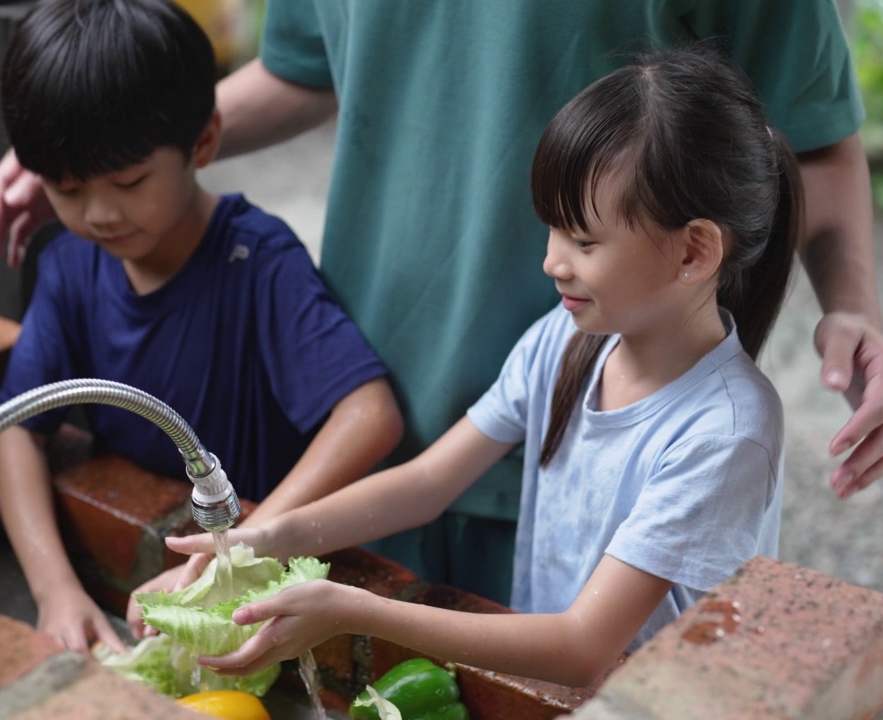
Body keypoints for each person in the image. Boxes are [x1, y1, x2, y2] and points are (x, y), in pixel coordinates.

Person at [0, 1, 883, 605]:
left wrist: (853, 302)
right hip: (385, 426)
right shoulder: (541, 344)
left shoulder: (721, 427)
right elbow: (304, 69)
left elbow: (812, 136)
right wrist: (112, 151)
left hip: (598, 426)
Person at [166, 47, 798, 688]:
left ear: (694, 251)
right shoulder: (567, 340)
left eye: (584, 241)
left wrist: (354, 611)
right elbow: (427, 483)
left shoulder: (725, 431)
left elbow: (584, 644)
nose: (554, 262)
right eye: (552, 230)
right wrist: (271, 537)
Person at [0, 0, 403, 656]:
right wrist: (55, 590)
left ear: (203, 142)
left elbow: (370, 415)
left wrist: (239, 548)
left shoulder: (258, 262)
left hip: (258, 579)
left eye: (128, 181)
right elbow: (13, 428)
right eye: (66, 190)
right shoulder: (70, 267)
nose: (99, 213)